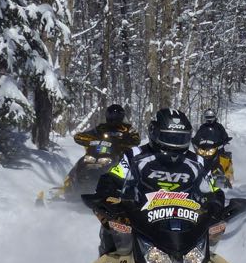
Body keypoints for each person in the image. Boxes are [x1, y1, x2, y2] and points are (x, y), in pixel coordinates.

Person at [94, 108, 222, 253]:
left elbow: (214, 190)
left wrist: (216, 208)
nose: (175, 144)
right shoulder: (134, 155)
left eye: (180, 139)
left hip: (187, 228)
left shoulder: (198, 161)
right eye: (170, 138)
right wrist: (108, 199)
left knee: (214, 261)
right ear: (154, 133)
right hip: (138, 223)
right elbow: (112, 178)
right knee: (112, 241)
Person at [192, 108, 234, 186]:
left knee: (223, 158)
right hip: (204, 148)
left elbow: (225, 136)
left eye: (210, 117)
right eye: (207, 117)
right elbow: (197, 136)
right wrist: (194, 141)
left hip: (217, 148)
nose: (209, 119)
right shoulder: (203, 127)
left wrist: (225, 140)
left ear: (214, 117)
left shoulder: (219, 127)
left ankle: (227, 176)